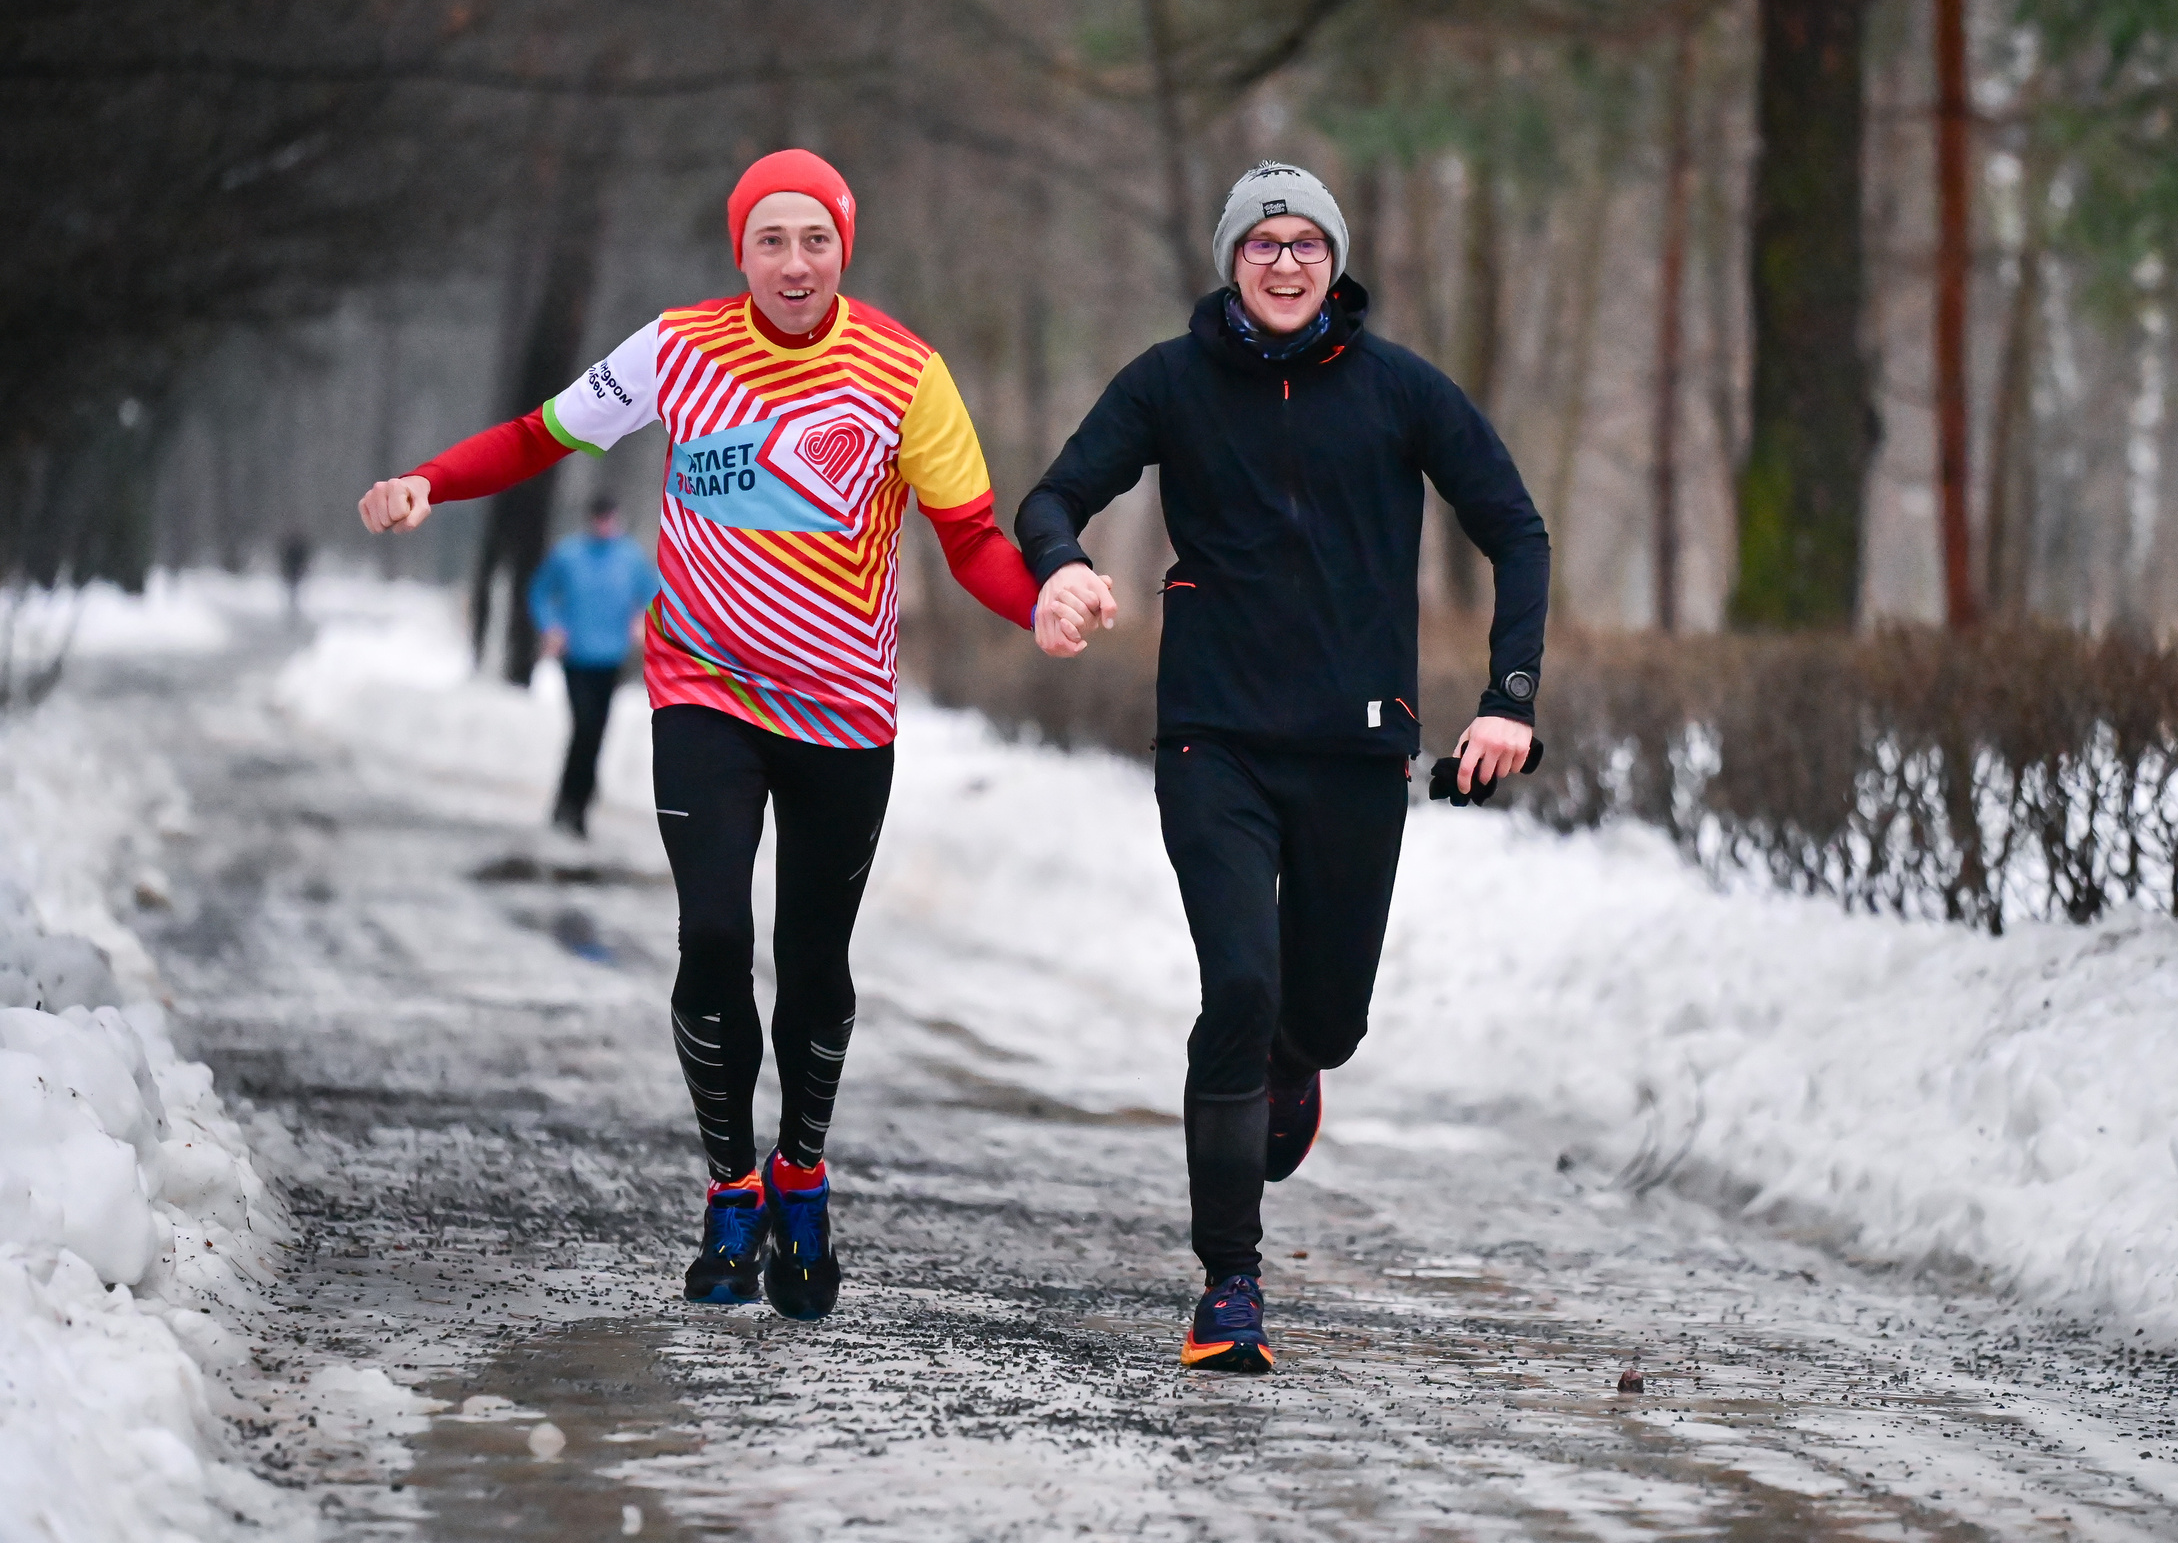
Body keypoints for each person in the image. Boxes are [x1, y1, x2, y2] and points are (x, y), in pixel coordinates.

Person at [357, 149, 1048, 1321]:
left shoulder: (902, 372)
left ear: (845, 246)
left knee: (816, 963)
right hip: (706, 693)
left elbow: (972, 537)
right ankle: (732, 1185)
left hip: (844, 712)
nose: (793, 263)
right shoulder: (676, 349)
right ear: (741, 250)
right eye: (769, 240)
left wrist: (1047, 602)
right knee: (715, 934)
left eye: (814, 239)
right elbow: (541, 436)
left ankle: (803, 1172)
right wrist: (431, 478)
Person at [1017, 160, 1549, 1374]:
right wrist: (1060, 564)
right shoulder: (1169, 380)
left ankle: (1297, 1066)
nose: (1286, 262)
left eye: (1308, 243)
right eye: (1263, 244)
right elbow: (1054, 496)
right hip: (1213, 742)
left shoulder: (1401, 390)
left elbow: (1513, 527)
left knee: (1322, 1019)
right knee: (1238, 991)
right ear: (1230, 260)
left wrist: (1508, 698)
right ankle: (1230, 1288)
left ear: (1336, 260)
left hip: (1358, 750)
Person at [527, 495, 658, 836]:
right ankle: (570, 802)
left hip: (611, 659)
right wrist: (550, 625)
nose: (604, 524)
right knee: (584, 727)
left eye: (609, 518)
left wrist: (641, 619)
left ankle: (576, 806)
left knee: (595, 732)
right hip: (576, 656)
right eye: (599, 518)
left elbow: (653, 594)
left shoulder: (629, 557)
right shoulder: (568, 554)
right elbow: (539, 592)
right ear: (590, 519)